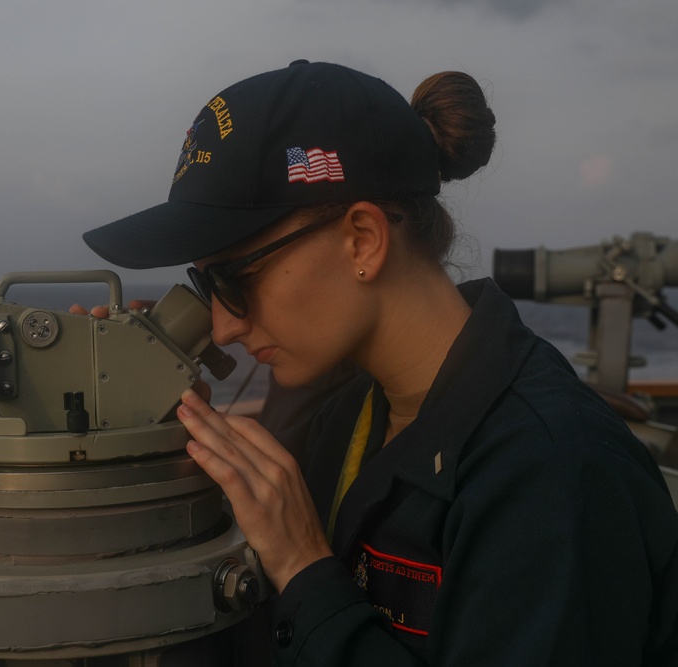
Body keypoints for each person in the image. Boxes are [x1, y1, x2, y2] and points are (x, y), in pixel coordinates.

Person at [82, 60, 678, 665]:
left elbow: (308, 591)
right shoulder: (348, 422)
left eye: (234, 279)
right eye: (202, 287)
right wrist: (142, 437)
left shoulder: (554, 474)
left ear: (363, 238)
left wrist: (305, 571)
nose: (223, 325)